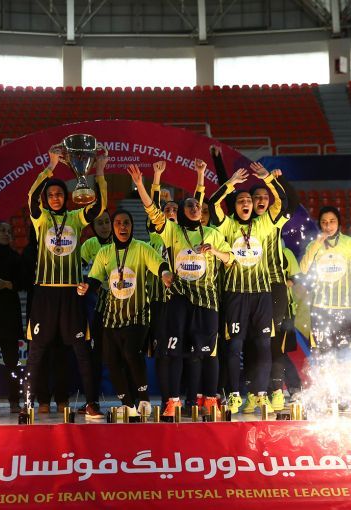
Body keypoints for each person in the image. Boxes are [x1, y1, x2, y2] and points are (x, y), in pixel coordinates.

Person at [128, 161, 234, 418]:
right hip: (178, 299)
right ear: (183, 212)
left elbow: (230, 259)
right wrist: (141, 184)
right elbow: (152, 210)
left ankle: (210, 400)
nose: (195, 208)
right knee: (174, 352)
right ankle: (173, 402)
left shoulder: (212, 233)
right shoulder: (172, 230)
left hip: (207, 301)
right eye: (190, 206)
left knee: (208, 353)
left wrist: (215, 251)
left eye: (198, 205)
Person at [24, 148, 108, 419]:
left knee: (81, 352)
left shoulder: (75, 218)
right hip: (45, 294)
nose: (55, 198)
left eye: (59, 194)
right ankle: (28, 405)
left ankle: (92, 403)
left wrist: (99, 171)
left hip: (72, 294)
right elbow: (31, 196)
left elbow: (98, 207)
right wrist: (50, 167)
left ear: (66, 196)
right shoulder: (40, 218)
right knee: (36, 352)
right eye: (51, 194)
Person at [207, 162, 290, 414]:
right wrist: (231, 183)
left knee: (263, 345)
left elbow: (282, 202)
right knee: (235, 346)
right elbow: (212, 203)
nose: (246, 203)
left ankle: (262, 395)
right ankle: (234, 395)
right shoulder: (227, 225)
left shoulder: (263, 224)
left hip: (262, 294)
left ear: (253, 206)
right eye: (241, 200)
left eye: (248, 201)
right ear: (235, 206)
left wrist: (268, 179)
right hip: (235, 295)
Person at [79, 209, 172, 417]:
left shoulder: (142, 248)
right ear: (113, 228)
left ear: (132, 226)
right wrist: (87, 287)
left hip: (138, 313)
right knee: (111, 360)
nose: (122, 226)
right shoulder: (104, 252)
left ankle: (144, 399)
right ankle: (128, 405)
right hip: (112, 316)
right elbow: (95, 279)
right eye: (118, 223)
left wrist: (165, 274)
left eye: (126, 223)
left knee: (130, 352)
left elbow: (160, 265)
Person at [249, 174, 302, 411]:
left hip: (275, 286)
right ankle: (256, 394)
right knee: (253, 343)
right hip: (249, 287)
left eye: (265, 197)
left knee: (275, 341)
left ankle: (277, 392)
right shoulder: (241, 223)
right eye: (256, 197)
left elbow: (293, 200)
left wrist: (276, 180)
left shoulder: (276, 219)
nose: (261, 200)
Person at [299, 206, 351, 352]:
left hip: (346, 306)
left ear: (338, 222)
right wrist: (317, 244)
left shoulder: (350, 243)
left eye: (332, 221)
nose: (328, 226)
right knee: (322, 351)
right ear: (319, 224)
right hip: (320, 307)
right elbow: (303, 269)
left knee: (344, 352)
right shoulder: (313, 245)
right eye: (324, 222)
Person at [0, 221, 24, 413]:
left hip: (9, 313)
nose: (6, 233)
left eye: (9, 231)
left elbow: (24, 281)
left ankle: (15, 400)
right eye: (2, 230)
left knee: (12, 360)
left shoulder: (15, 257)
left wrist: (7, 284)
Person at [80, 211, 112, 408]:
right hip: (95, 309)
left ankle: (132, 401)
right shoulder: (88, 246)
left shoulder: (122, 243)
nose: (105, 226)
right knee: (95, 356)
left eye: (107, 222)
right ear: (93, 227)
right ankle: (92, 401)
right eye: (100, 223)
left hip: (119, 308)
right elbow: (79, 274)